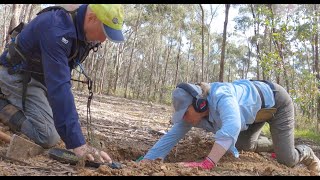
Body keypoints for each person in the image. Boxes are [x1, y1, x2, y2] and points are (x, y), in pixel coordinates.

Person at [0, 4, 124, 163]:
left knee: (62, 120)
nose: (103, 40)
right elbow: (59, 88)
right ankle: (2, 104)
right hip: (17, 76)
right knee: (48, 135)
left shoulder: (80, 27)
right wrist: (78, 144)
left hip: (42, 79)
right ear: (92, 18)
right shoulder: (56, 28)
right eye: (104, 31)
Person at [142, 80, 320, 175]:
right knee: (242, 145)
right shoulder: (194, 114)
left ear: (200, 104)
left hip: (277, 104)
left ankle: (307, 153)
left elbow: (233, 125)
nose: (184, 119)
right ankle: (278, 144)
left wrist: (208, 163)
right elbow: (171, 136)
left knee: (287, 159)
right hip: (252, 114)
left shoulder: (221, 96)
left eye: (185, 113)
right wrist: (146, 162)